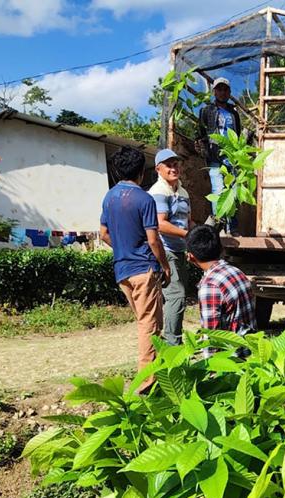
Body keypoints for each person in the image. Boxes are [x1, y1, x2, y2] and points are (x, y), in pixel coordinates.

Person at [99, 146, 171, 393]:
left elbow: (104, 234)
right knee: (149, 327)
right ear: (142, 172)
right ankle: (147, 384)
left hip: (123, 271)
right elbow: (153, 240)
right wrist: (164, 265)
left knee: (144, 322)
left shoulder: (109, 198)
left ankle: (156, 375)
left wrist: (122, 249)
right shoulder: (144, 199)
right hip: (144, 269)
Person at [148, 148, 192, 346]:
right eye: (169, 165)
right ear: (159, 169)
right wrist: (187, 235)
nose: (174, 168)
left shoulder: (182, 192)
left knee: (178, 296)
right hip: (166, 251)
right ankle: (172, 344)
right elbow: (160, 224)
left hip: (179, 250)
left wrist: (190, 243)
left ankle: (174, 339)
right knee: (177, 296)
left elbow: (187, 222)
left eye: (176, 164)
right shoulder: (159, 192)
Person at [185, 225, 256, 334]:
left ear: (190, 256)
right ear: (221, 248)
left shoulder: (210, 285)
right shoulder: (236, 272)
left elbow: (211, 337)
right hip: (251, 346)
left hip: (232, 349)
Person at [197, 77, 241, 236]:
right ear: (214, 91)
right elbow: (201, 132)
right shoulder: (206, 110)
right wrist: (204, 147)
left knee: (233, 191)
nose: (222, 92)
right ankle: (220, 227)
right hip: (214, 157)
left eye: (225, 89)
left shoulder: (233, 113)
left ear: (229, 93)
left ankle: (233, 228)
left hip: (231, 157)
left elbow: (239, 134)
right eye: (219, 89)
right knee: (218, 190)